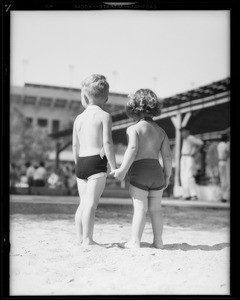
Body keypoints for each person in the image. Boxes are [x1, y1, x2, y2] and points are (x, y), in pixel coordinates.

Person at [111, 89, 172, 249]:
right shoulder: (162, 132)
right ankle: (158, 241)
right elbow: (167, 156)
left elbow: (132, 150)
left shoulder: (134, 129)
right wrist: (168, 176)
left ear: (134, 108)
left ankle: (135, 241)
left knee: (140, 209)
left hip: (140, 174)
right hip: (157, 173)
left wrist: (122, 170)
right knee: (156, 210)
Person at [72, 74, 116, 246]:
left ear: (85, 96)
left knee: (82, 204)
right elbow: (107, 142)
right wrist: (113, 166)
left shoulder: (78, 119)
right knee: (91, 204)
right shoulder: (104, 116)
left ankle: (79, 238)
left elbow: (75, 146)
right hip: (96, 162)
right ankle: (88, 239)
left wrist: (78, 164)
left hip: (81, 162)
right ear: (106, 98)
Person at [180, 126, 203, 201]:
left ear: (187, 131)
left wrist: (195, 152)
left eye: (183, 131)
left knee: (189, 176)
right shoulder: (185, 139)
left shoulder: (190, 137)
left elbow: (201, 143)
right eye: (181, 132)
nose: (182, 133)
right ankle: (186, 195)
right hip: (183, 158)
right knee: (183, 176)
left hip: (189, 157)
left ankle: (194, 195)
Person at [217, 133, 230, 202]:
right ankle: (224, 196)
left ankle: (222, 196)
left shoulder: (219, 145)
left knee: (222, 180)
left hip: (220, 162)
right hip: (225, 162)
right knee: (226, 180)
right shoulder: (225, 145)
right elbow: (227, 152)